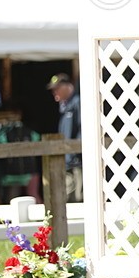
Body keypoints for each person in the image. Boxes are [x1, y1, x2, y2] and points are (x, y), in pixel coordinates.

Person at [47, 73, 83, 201]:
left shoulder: (78, 103)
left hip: (77, 161)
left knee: (79, 197)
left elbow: (82, 131)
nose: (54, 93)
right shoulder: (64, 106)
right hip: (67, 161)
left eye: (57, 89)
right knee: (66, 197)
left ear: (67, 86)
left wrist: (75, 153)